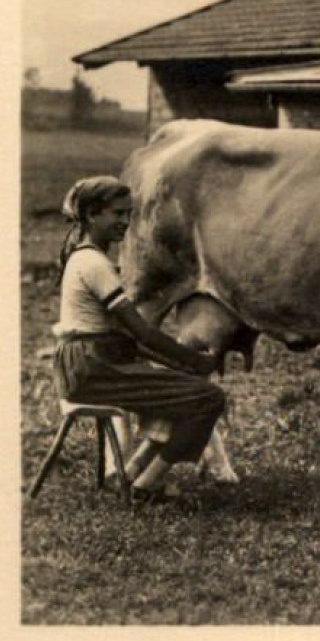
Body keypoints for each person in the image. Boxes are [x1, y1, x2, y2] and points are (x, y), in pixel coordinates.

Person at [52, 175, 226, 500]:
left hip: (95, 362)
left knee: (183, 389)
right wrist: (192, 359)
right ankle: (147, 486)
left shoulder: (89, 257)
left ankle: (135, 474)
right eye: (116, 214)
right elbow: (142, 331)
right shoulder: (93, 264)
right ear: (92, 215)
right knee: (209, 398)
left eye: (127, 214)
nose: (124, 222)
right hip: (92, 367)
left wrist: (179, 365)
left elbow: (127, 340)